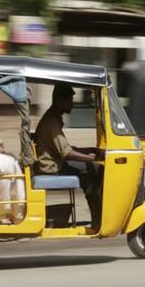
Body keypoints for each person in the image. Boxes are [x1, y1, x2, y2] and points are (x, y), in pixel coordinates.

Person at [34, 83, 104, 229]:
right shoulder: (51, 122)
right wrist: (94, 158)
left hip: (56, 164)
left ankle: (99, 217)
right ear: (60, 100)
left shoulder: (53, 118)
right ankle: (98, 220)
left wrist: (92, 150)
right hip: (52, 169)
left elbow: (66, 148)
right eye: (69, 100)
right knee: (96, 170)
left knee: (94, 169)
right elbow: (67, 154)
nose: (72, 104)